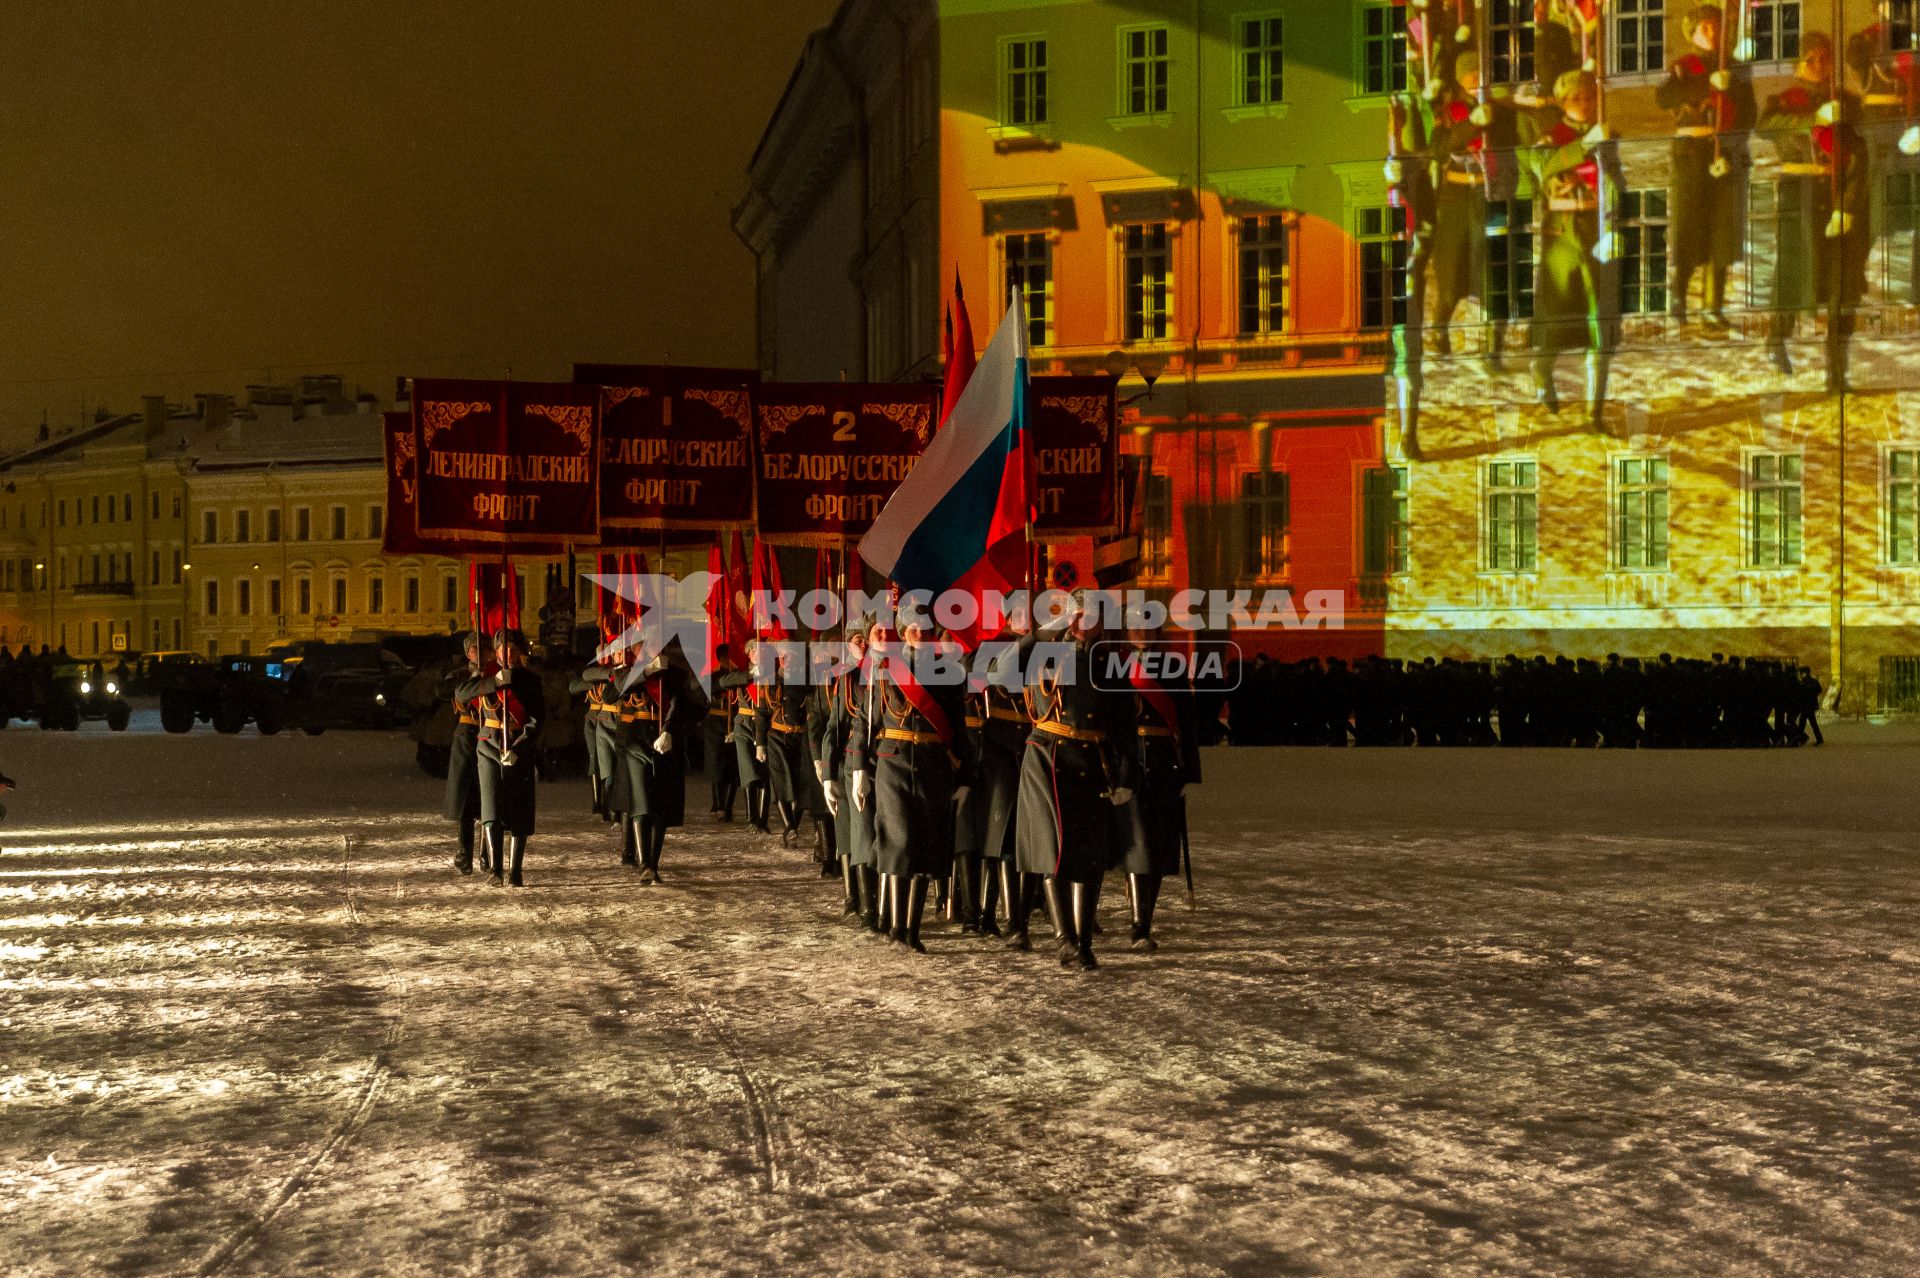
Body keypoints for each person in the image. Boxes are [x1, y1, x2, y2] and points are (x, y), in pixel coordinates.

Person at [1015, 594, 1137, 971]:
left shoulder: (1111, 662)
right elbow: (1001, 670)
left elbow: (1124, 726)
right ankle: (1063, 938)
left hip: (1091, 760)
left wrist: (1125, 776)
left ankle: (1083, 942)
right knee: (1054, 850)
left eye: (1093, 616)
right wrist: (1040, 631)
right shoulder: (1046, 652)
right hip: (1048, 756)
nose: (1086, 621)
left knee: (1087, 855)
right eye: (1079, 614)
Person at [848, 620, 973, 954]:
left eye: (926, 629)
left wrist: (965, 776)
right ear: (902, 632)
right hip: (894, 764)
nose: (920, 634)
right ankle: (895, 924)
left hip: (934, 766)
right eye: (913, 628)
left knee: (925, 846)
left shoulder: (949, 672)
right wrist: (858, 766)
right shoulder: (885, 668)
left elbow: (958, 728)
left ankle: (911, 930)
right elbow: (865, 721)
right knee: (900, 841)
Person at [1760, 32, 1869, 390]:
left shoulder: (1848, 102)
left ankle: (1836, 371)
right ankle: (1777, 338)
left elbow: (1859, 155)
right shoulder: (1781, 103)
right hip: (1799, 196)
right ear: (1797, 65)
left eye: (1825, 58)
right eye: (1811, 59)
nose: (1819, 65)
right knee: (1795, 272)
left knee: (1843, 286)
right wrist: (1813, 118)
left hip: (1838, 197)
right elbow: (1766, 128)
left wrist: (1848, 207)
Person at [1528, 68, 1622, 428]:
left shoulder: (1608, 137)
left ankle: (1593, 413)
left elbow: (1617, 183)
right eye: (1576, 98)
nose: (1584, 104)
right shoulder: (1550, 139)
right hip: (1563, 233)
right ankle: (1542, 365)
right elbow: (1545, 167)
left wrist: (1616, 225)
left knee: (1602, 320)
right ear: (1564, 102)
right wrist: (1583, 145)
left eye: (1588, 97)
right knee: (1557, 316)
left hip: (1599, 228)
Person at [1655, 5, 1753, 330]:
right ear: (1693, 33)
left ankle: (1714, 305)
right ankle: (1679, 298)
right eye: (1705, 28)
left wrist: (1732, 150)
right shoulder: (1685, 65)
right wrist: (1704, 85)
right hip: (1691, 152)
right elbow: (1664, 97)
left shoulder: (1737, 68)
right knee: (1690, 224)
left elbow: (1749, 114)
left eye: (1717, 27)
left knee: (1723, 229)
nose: (1712, 33)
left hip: (1725, 151)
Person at [1117, 626, 1201, 952]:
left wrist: (1189, 772)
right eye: (1135, 625)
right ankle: (1140, 927)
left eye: (1147, 625)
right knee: (1139, 843)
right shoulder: (1117, 665)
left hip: (1165, 763)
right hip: (1130, 763)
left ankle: (1144, 918)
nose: (1141, 631)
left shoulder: (1174, 668)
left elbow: (1187, 722)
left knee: (1160, 842)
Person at [457, 627, 545, 887]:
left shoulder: (530, 681)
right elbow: (461, 693)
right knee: (491, 808)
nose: (507, 653)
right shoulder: (487, 676)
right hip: (488, 747)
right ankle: (494, 869)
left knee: (519, 810)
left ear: (519, 653)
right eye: (502, 649)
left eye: (512, 649)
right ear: (495, 652)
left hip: (517, 748)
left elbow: (536, 720)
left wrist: (519, 748)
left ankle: (515, 870)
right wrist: (492, 682)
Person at [823, 621, 883, 933]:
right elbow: (833, 729)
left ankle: (880, 909)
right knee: (858, 837)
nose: (862, 644)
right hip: (854, 760)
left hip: (886, 759)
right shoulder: (847, 680)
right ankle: (863, 906)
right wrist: (827, 774)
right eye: (857, 639)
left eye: (865, 638)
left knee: (876, 838)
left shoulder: (890, 671)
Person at [618, 651, 688, 884]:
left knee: (660, 806)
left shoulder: (675, 674)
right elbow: (613, 691)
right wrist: (646, 672)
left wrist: (668, 729)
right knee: (641, 803)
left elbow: (682, 701)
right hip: (636, 744)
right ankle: (644, 863)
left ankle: (653, 864)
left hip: (665, 743)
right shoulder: (631, 673)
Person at [443, 631, 490, 876]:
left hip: (489, 734)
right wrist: (473, 677)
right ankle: (464, 851)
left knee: (487, 799)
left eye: (485, 648)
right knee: (464, 800)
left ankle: (486, 853)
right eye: (475, 649)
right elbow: (444, 690)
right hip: (466, 734)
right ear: (467, 652)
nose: (481, 653)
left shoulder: (495, 674)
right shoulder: (461, 675)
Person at [757, 643, 812, 847]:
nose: (784, 660)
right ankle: (789, 827)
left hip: (801, 739)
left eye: (788, 656)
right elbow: (761, 714)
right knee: (780, 783)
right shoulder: (771, 681)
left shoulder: (808, 681)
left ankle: (793, 826)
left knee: (798, 786)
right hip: (777, 738)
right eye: (781, 656)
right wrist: (760, 744)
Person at [718, 642, 772, 834]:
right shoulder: (742, 673)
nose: (758, 654)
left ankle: (763, 820)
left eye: (762, 650)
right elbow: (723, 682)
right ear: (748, 654)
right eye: (754, 650)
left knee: (765, 774)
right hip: (744, 726)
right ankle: (752, 819)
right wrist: (750, 675)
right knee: (748, 771)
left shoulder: (772, 672)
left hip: (766, 726)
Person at [571, 651, 622, 826]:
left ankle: (612, 807)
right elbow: (575, 684)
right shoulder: (596, 673)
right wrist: (601, 677)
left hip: (616, 718)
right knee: (597, 762)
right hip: (595, 719)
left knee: (615, 768)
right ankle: (599, 804)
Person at [704, 643, 741, 821]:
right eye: (727, 657)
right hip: (715, 723)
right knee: (716, 766)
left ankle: (728, 806)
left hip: (733, 722)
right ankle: (718, 804)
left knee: (733, 768)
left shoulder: (738, 674)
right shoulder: (714, 676)